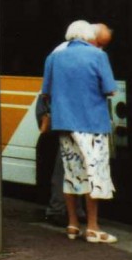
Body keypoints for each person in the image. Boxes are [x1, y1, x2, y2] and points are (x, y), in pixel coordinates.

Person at [42, 19, 119, 243]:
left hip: (64, 124)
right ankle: (93, 228)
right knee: (95, 174)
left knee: (72, 174)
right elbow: (110, 89)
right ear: (89, 37)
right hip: (92, 124)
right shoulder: (98, 56)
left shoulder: (54, 57)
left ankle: (72, 224)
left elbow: (46, 92)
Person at [37, 20, 89, 224]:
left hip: (61, 113)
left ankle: (69, 210)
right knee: (65, 164)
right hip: (67, 115)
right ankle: (60, 210)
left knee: (68, 163)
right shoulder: (69, 54)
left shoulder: (61, 52)